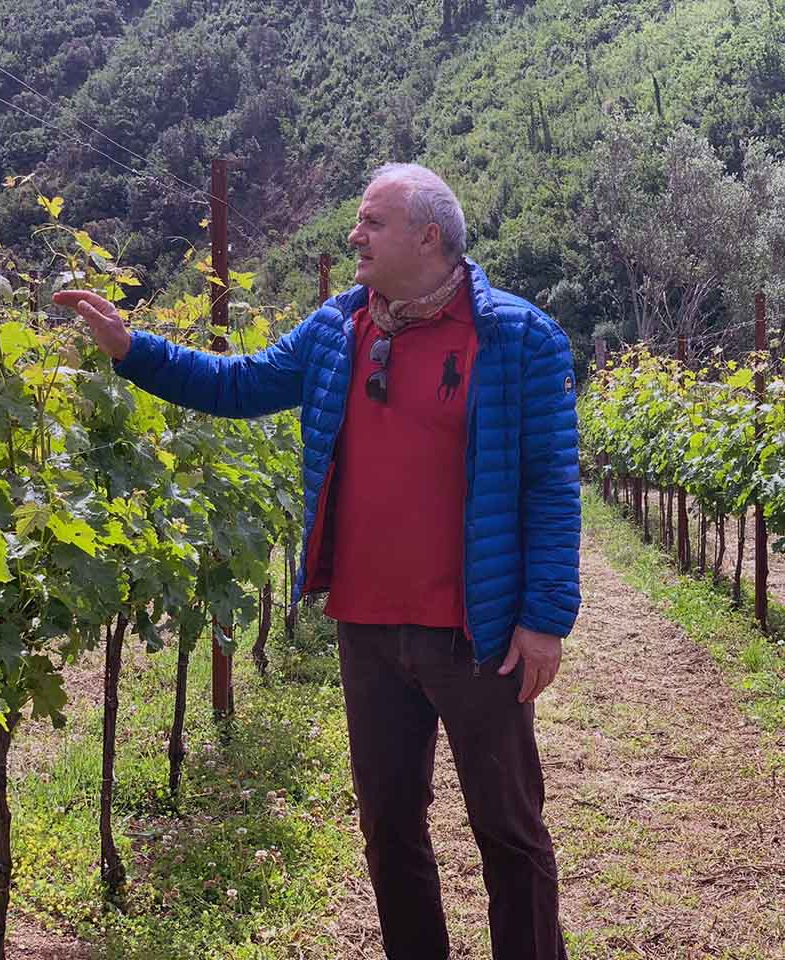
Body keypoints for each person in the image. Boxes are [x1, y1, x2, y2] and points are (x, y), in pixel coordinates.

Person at [54, 162, 581, 960]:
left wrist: (545, 620)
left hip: (477, 633)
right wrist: (135, 351)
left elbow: (551, 486)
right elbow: (240, 384)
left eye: (372, 222)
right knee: (389, 828)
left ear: (428, 235)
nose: (354, 235)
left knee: (508, 830)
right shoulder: (340, 328)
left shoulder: (518, 338)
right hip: (367, 628)